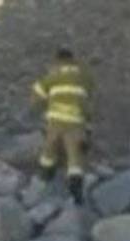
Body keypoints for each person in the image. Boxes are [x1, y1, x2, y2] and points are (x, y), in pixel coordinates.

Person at [32, 46, 92, 206]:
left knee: (49, 149)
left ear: (57, 61)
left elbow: (37, 93)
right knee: (75, 156)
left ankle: (46, 176)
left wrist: (42, 106)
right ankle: (76, 192)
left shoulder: (53, 76)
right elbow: (88, 102)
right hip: (76, 122)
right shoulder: (84, 77)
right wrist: (88, 125)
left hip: (56, 121)